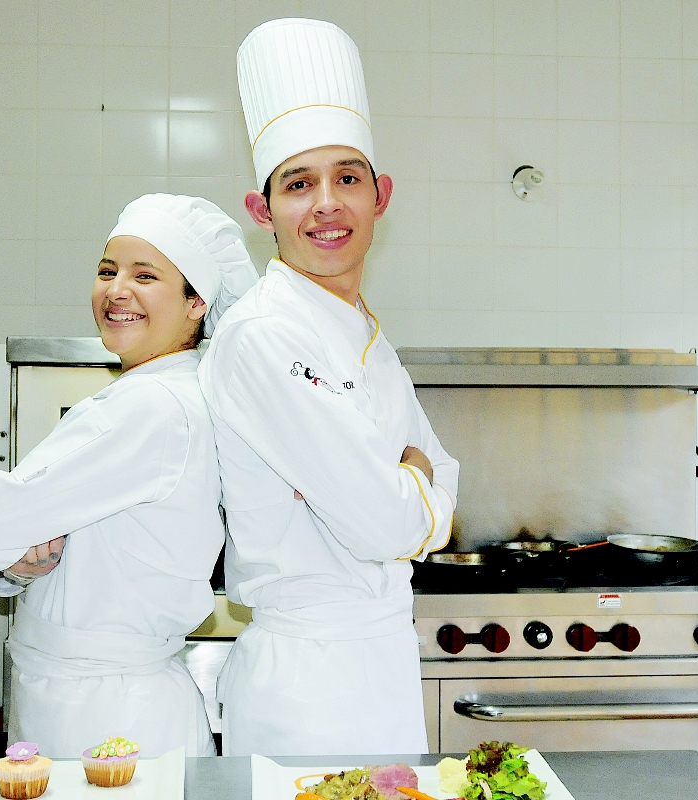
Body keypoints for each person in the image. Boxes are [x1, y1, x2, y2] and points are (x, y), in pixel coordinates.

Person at [198, 19, 460, 756]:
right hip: (306, 687)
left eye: (346, 178)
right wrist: (415, 486)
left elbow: (443, 472)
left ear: (380, 195)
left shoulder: (363, 332)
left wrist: (413, 486)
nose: (326, 205)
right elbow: (389, 524)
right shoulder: (266, 334)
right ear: (262, 210)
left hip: (379, 664)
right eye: (298, 184)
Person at [0, 194, 258, 757]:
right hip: (105, 702)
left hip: (104, 720)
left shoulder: (149, 407)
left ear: (197, 303)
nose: (117, 290)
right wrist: (19, 563)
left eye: (146, 276)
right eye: (107, 271)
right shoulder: (173, 393)